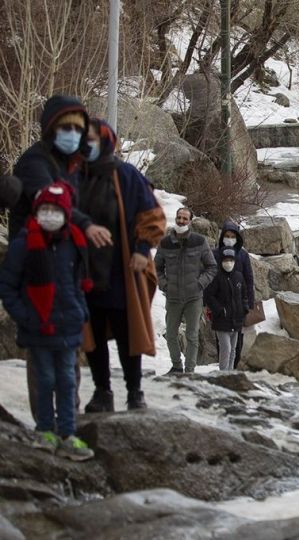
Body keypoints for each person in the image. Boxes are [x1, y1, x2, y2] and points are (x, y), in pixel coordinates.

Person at [0, 182, 95, 461]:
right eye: (45, 209)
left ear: (66, 212)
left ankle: (67, 433)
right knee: (45, 379)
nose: (50, 214)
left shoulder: (74, 243)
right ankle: (45, 430)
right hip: (38, 329)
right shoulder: (23, 244)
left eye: (56, 209)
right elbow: (7, 287)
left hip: (68, 327)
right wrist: (26, 316)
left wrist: (81, 312)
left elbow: (78, 284)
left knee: (67, 381)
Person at [79, 119, 165, 413]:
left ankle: (134, 391)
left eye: (89, 138)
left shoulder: (126, 175)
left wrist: (143, 248)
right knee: (91, 333)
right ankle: (102, 390)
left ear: (104, 141)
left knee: (127, 330)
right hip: (85, 269)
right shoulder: (76, 175)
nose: (83, 144)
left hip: (120, 269)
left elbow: (150, 214)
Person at [10, 96, 110, 248]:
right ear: (52, 128)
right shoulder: (35, 160)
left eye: (78, 129)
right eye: (66, 127)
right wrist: (86, 225)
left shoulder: (72, 162)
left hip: (60, 251)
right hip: (31, 251)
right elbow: (51, 200)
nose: (72, 134)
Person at [155, 207, 218, 375]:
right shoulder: (165, 243)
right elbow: (157, 268)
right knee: (170, 335)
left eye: (185, 218)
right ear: (175, 219)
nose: (181, 221)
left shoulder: (199, 241)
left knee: (192, 335)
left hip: (194, 297)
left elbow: (212, 267)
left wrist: (200, 284)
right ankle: (176, 366)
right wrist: (164, 285)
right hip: (173, 296)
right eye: (179, 217)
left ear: (190, 221)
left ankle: (190, 371)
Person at [214, 221, 255, 365]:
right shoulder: (215, 254)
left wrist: (248, 304)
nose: (229, 238)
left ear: (237, 238)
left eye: (232, 236)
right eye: (227, 235)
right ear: (222, 237)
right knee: (223, 344)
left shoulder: (243, 255)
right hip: (220, 306)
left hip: (238, 306)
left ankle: (232, 369)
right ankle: (223, 372)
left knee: (236, 345)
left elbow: (249, 280)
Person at [204, 248, 248, 371]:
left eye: (230, 260)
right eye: (225, 260)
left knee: (233, 350)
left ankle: (229, 375)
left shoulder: (239, 276)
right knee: (226, 349)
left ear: (234, 261)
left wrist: (244, 309)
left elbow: (244, 295)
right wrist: (219, 309)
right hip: (221, 321)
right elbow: (208, 296)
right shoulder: (216, 277)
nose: (228, 263)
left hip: (236, 320)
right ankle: (222, 375)